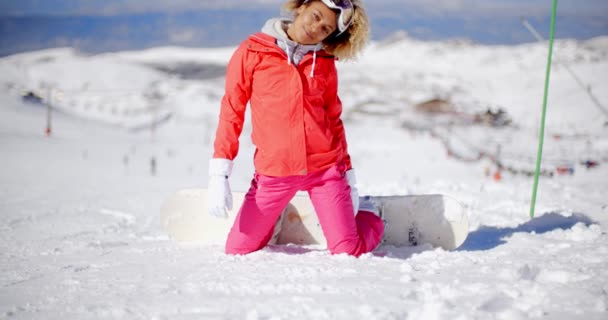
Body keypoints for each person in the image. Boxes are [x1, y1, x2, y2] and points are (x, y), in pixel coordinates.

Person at [207, 0, 384, 257]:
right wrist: (219, 174)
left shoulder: (323, 60)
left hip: (325, 171)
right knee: (238, 249)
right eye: (315, 16)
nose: (316, 29)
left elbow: (333, 120)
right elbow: (231, 112)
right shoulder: (252, 52)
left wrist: (348, 176)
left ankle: (372, 216)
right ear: (301, 7)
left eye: (325, 29)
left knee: (348, 250)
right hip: (275, 172)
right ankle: (271, 220)